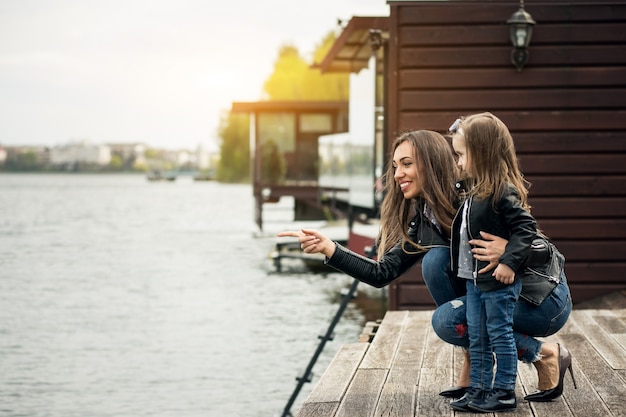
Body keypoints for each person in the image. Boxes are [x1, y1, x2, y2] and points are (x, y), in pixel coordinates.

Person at [277, 126, 573, 404]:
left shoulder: (475, 198)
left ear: (430, 164)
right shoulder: (425, 221)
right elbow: (382, 274)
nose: (397, 174)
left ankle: (544, 354)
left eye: (406, 164)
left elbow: (542, 248)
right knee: (436, 261)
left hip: (543, 300)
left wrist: (509, 251)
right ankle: (475, 367)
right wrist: (330, 248)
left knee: (448, 320)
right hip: (497, 297)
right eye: (395, 166)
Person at [445, 112, 538, 412]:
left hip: (497, 280)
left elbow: (526, 230)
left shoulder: (502, 192)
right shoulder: (472, 191)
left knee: (499, 333)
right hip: (474, 280)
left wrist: (509, 263)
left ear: (482, 153)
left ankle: (504, 391)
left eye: (461, 155)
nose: (458, 162)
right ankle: (480, 389)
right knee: (478, 335)